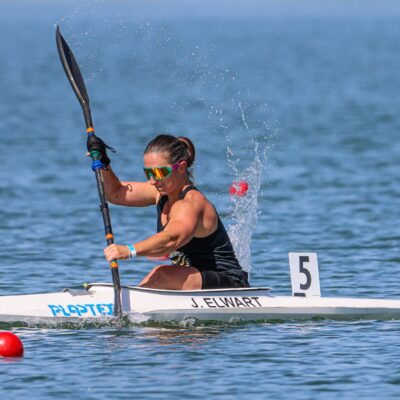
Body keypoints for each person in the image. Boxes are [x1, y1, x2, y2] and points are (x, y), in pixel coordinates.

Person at [89, 133, 249, 290]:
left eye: (159, 173)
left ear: (181, 168)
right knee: (161, 275)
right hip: (192, 281)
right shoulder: (160, 193)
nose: (152, 181)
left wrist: (128, 250)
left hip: (228, 284)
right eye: (148, 173)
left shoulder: (190, 203)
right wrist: (103, 163)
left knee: (162, 274)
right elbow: (116, 193)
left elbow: (171, 240)